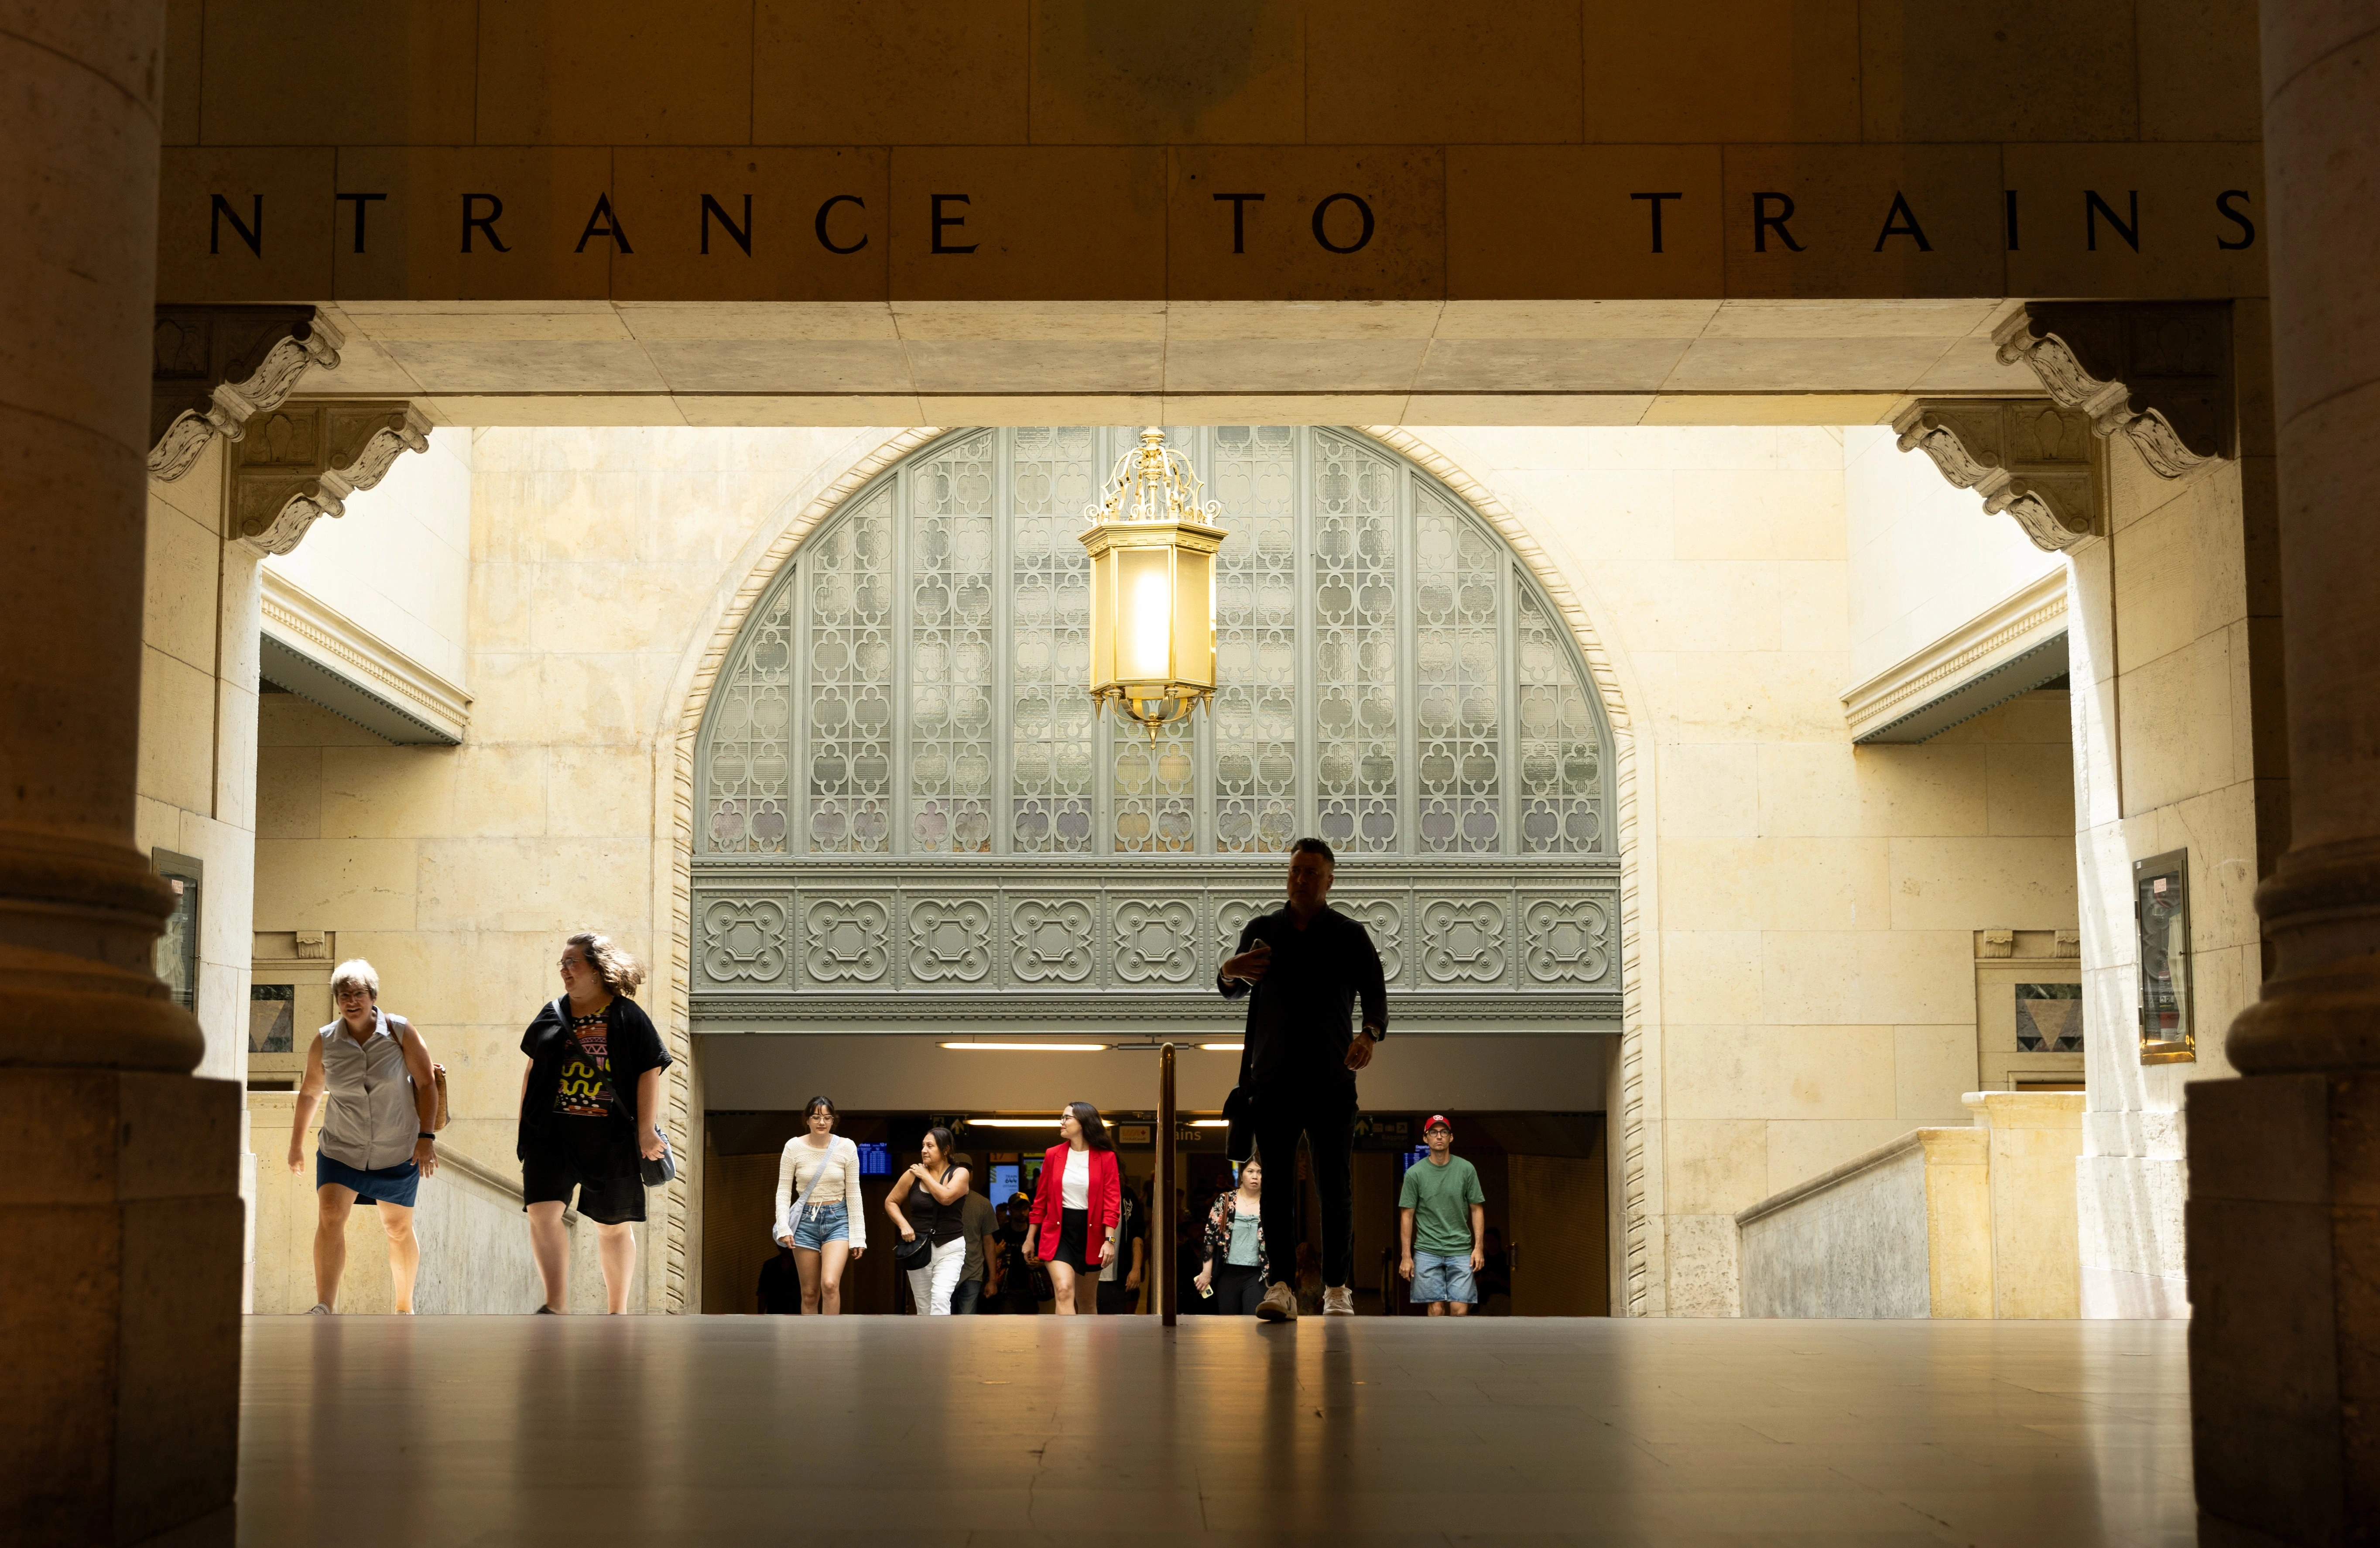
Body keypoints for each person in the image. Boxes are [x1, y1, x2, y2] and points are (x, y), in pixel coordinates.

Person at [1218, 837, 1387, 1321]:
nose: (1300, 878)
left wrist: (1370, 1035)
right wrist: (1228, 971)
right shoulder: (1263, 929)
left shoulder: (1348, 934)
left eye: (1311, 871)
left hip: (1332, 1082)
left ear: (1329, 879)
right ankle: (1281, 1286)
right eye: (1295, 870)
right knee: (1276, 1190)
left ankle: (1337, 1288)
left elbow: (1375, 992)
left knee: (1335, 1187)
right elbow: (1232, 987)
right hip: (1272, 1082)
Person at [517, 931, 670, 1314]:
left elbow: (649, 1069)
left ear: (597, 970)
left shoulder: (627, 1015)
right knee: (542, 1212)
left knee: (613, 1224)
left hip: (610, 1137)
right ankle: (556, 1304)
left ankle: (617, 1312)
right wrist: (526, 1126)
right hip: (552, 1134)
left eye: (573, 962)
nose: (565, 970)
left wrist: (646, 1130)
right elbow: (532, 1069)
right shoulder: (551, 1013)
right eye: (562, 964)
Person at [285, 959, 439, 1314]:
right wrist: (296, 1145)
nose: (351, 1001)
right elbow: (309, 1093)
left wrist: (425, 1137)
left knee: (397, 1227)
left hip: (396, 1147)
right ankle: (324, 1304)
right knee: (330, 1214)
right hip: (342, 1146)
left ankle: (404, 1306)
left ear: (373, 996)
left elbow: (427, 1082)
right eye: (343, 995)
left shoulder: (400, 1032)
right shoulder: (325, 1041)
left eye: (358, 994)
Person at [771, 1095, 865, 1315]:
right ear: (807, 1120)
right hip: (804, 1222)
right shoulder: (793, 1147)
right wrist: (784, 1227)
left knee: (830, 1284)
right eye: (816, 1117)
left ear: (834, 1120)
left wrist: (859, 1236)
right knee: (810, 1293)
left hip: (838, 1219)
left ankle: (830, 1345)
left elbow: (854, 1193)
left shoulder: (847, 1147)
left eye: (827, 1117)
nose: (821, 1122)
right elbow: (784, 1190)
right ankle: (811, 1345)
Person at [1024, 1102, 1121, 1315]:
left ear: (1084, 1123)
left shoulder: (1107, 1158)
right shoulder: (1053, 1155)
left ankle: (1088, 1348)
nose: (1062, 1122)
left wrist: (1109, 1241)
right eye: (1062, 1117)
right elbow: (1040, 1200)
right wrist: (1030, 1237)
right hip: (1058, 1233)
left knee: (1087, 1302)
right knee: (1064, 1290)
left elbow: (1112, 1204)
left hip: (1092, 1235)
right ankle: (1068, 1348)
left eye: (1067, 1118)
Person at [1399, 1114, 1488, 1316]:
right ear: (1426, 1138)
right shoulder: (1415, 1173)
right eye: (1434, 1132)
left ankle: (1456, 1349)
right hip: (1427, 1250)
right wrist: (1406, 1256)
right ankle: (1437, 1349)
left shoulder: (1466, 1169)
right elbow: (1407, 1215)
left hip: (1461, 1250)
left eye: (1444, 1132)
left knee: (1460, 1311)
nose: (1439, 1136)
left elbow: (1477, 1209)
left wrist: (1479, 1248)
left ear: (1451, 1137)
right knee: (1436, 1310)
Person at [884, 1127, 970, 1314]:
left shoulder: (960, 1173)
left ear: (945, 1150)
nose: (924, 1150)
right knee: (923, 1306)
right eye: (923, 1146)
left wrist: (925, 1176)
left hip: (950, 1247)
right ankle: (929, 1344)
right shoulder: (912, 1175)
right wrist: (903, 1224)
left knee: (940, 1297)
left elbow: (945, 1198)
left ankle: (940, 1344)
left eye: (930, 1146)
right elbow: (891, 1202)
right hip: (918, 1248)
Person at [1192, 1157, 1269, 1315]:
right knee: (1228, 1325)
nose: (1255, 1176)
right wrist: (1207, 1273)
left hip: (1258, 1275)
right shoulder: (1225, 1200)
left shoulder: (1269, 1203)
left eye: (1260, 1172)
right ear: (1241, 1175)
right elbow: (1210, 1239)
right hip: (1228, 1273)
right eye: (1250, 1171)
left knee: (1254, 1324)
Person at [949, 1153, 1002, 1314]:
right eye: (958, 1171)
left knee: (966, 1324)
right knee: (942, 1324)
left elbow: (988, 1242)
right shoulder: (940, 1200)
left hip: (973, 1272)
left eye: (966, 1171)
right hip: (945, 1272)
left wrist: (992, 1280)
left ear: (971, 1176)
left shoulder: (983, 1204)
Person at [1097, 1176, 1146, 1315]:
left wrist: (1136, 1268)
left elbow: (1137, 1234)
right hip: (1088, 1272)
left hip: (1117, 1274)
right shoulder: (1086, 1190)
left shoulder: (1127, 1195)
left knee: (1114, 1326)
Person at [757, 1243, 801, 1314]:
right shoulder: (770, 1265)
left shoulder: (801, 1265)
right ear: (778, 1246)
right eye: (783, 1245)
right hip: (774, 1309)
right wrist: (760, 1315)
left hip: (796, 1310)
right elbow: (763, 1292)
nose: (787, 1248)